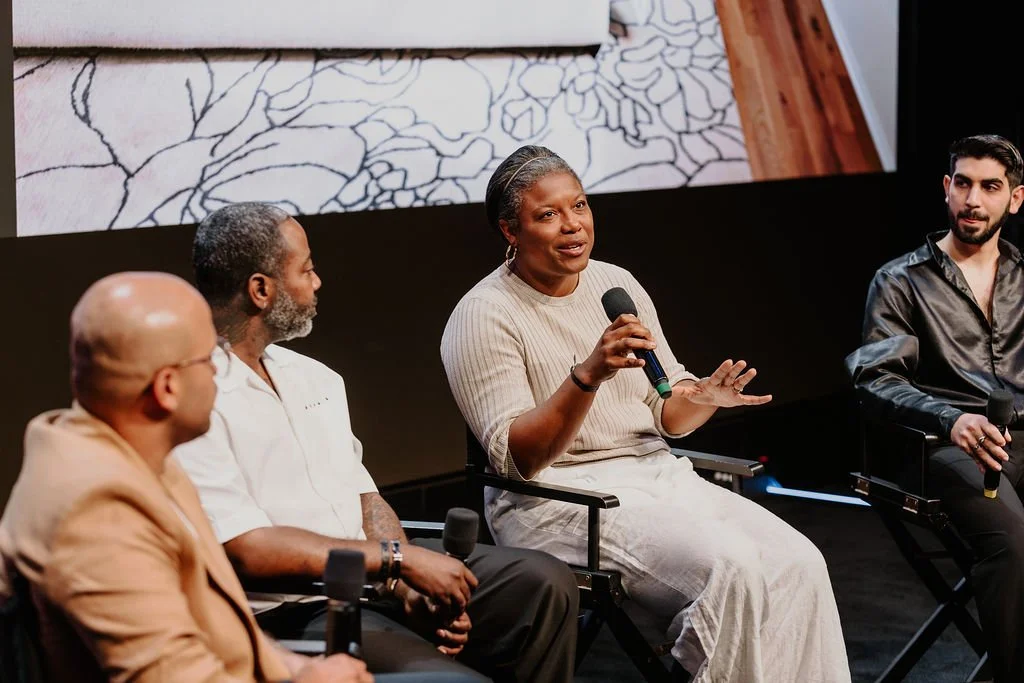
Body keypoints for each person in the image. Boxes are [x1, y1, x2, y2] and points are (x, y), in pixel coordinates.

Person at [440, 145, 852, 682]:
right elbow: (518, 461)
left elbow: (666, 412)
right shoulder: (482, 315)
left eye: (580, 206)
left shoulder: (616, 284)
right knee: (733, 571)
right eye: (549, 214)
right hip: (557, 499)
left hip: (654, 473)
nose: (574, 226)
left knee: (800, 563)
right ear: (509, 231)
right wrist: (586, 377)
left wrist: (700, 398)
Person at [172, 203, 580, 682]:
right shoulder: (194, 399)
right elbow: (247, 548)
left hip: (373, 576)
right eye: (306, 269)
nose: (317, 281)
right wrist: (399, 562)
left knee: (542, 583)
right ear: (261, 290)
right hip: (292, 609)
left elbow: (365, 499)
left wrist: (404, 585)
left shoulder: (315, 378)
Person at [0, 272, 370, 682]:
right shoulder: (98, 516)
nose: (222, 369)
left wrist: (297, 666)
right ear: (167, 388)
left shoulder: (139, 457)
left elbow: (222, 627)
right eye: (210, 355)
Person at [848, 134, 1024, 682]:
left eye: (990, 187)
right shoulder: (901, 279)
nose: (974, 199)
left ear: (1014, 199)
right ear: (947, 189)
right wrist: (952, 418)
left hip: (1020, 436)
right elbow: (875, 378)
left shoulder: (1023, 277)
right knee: (1014, 546)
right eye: (964, 183)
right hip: (944, 446)